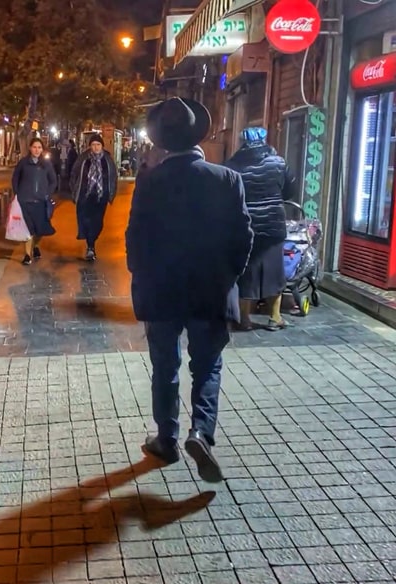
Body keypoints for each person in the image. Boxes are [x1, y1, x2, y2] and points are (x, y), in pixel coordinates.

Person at [126, 98, 253, 483]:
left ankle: (167, 438)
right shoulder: (227, 179)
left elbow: (135, 241)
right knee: (208, 365)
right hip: (210, 291)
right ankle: (201, 432)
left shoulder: (149, 183)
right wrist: (229, 275)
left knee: (165, 367)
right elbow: (244, 237)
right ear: (201, 135)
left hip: (161, 292)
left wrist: (143, 276)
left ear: (163, 141)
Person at [225, 127, 295, 331]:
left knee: (246, 272)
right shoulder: (278, 163)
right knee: (275, 271)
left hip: (245, 226)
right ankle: (275, 317)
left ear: (242, 142)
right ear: (264, 140)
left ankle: (244, 319)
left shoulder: (233, 165)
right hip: (273, 225)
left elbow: (228, 195)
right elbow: (289, 190)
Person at [70, 133, 119, 261]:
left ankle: (91, 242)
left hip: (100, 196)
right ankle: (90, 246)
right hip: (85, 195)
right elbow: (74, 174)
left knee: (97, 223)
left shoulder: (107, 160)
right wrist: (74, 190)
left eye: (98, 145)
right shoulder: (83, 159)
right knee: (85, 220)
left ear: (102, 146)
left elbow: (113, 177)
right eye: (93, 145)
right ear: (90, 146)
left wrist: (111, 193)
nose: (96, 147)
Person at [11, 138, 57, 265]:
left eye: (39, 147)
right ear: (30, 148)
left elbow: (53, 181)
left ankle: (35, 246)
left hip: (40, 202)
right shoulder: (23, 163)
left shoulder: (46, 164)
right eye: (34, 147)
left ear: (42, 149)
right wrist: (17, 193)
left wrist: (47, 193)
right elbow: (15, 178)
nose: (37, 150)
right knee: (27, 229)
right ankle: (27, 255)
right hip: (25, 201)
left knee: (40, 230)